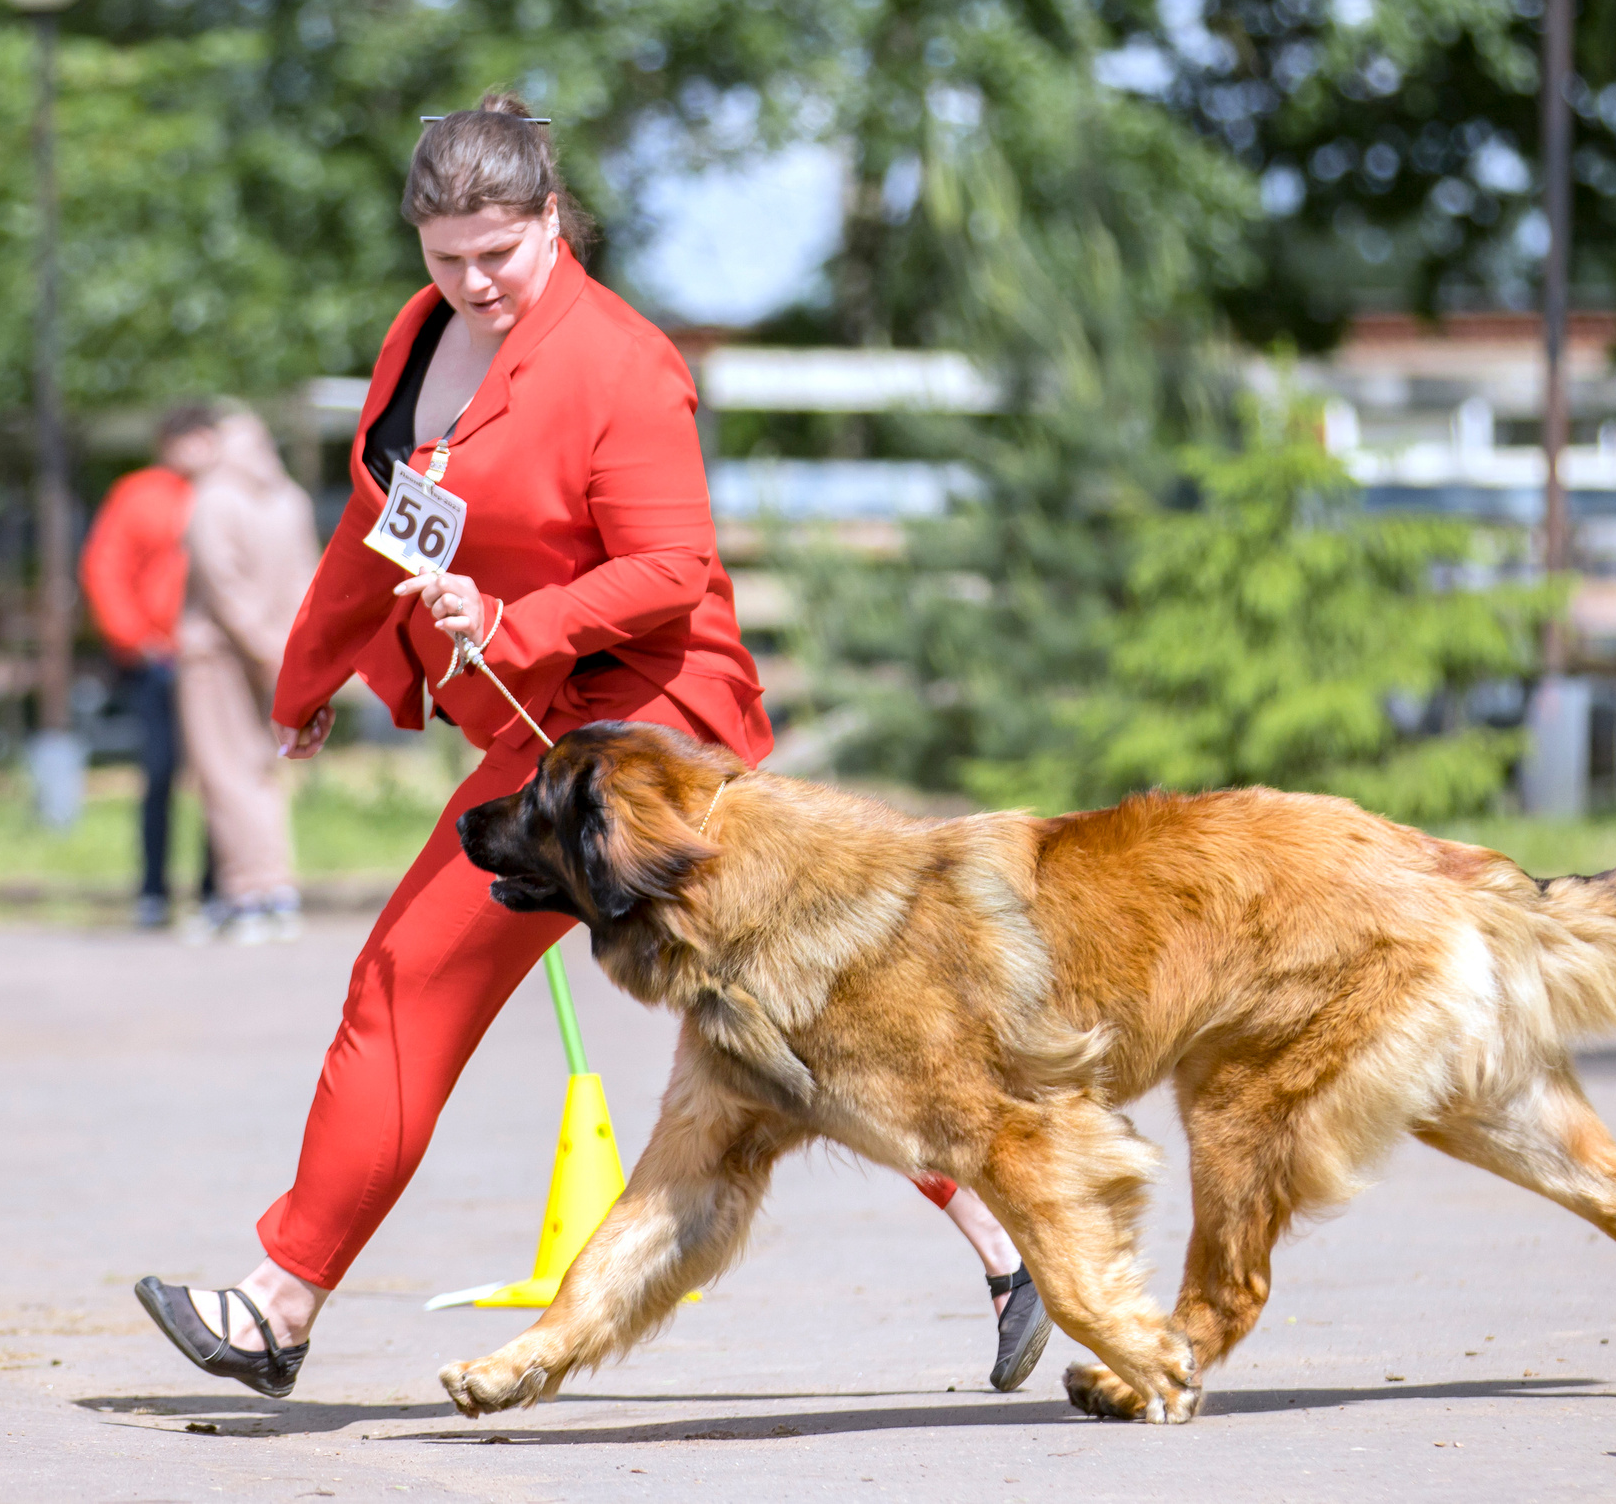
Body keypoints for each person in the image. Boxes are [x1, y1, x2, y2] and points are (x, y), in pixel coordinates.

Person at [134, 94, 1049, 1401]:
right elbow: (380, 521)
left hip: (651, 746)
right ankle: (279, 1302)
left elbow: (674, 570)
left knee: (762, 1018)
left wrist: (515, 622)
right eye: (444, 257)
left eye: (497, 253)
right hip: (536, 742)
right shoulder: (418, 337)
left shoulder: (623, 365)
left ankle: (278, 1304)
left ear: (553, 217)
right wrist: (307, 670)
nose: (471, 283)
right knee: (670, 1011)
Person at [176, 404, 322, 944]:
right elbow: (311, 577)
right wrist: (288, 650)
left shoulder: (213, 497)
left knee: (223, 774)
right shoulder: (291, 499)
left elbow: (221, 583)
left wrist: (257, 644)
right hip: (282, 652)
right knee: (265, 772)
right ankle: (278, 889)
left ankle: (247, 895)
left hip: (218, 655)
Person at [80, 405, 221, 929]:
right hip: (157, 661)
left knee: (216, 777)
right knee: (159, 773)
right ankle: (153, 891)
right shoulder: (139, 495)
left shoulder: (229, 495)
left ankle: (215, 889)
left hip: (216, 663)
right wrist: (135, 640)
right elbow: (106, 568)